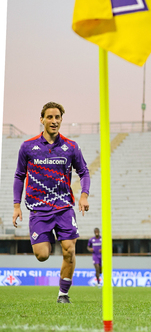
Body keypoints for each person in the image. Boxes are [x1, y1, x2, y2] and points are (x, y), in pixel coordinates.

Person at [12, 102, 90, 304]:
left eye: (57, 117)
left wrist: (84, 195)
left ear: (61, 120)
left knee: (69, 250)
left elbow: (84, 172)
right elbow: (19, 176)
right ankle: (49, 237)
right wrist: (16, 205)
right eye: (49, 117)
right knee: (42, 255)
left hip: (64, 207)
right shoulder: (28, 147)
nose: (54, 121)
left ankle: (63, 294)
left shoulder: (71, 147)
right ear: (42, 120)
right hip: (39, 209)